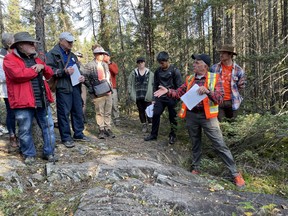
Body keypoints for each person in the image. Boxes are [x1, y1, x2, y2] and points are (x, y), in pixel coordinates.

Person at [154, 53, 245, 187]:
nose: (194, 64)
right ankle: (196, 167)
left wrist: (208, 91)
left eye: (197, 62)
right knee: (195, 143)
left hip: (208, 118)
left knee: (220, 145)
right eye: (194, 62)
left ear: (205, 66)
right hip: (192, 116)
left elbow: (220, 99)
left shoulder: (215, 78)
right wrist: (167, 91)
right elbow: (179, 93)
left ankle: (235, 174)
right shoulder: (190, 79)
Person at [3, 32, 57, 164]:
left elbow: (49, 73)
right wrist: (36, 70)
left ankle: (49, 153)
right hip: (23, 102)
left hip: (42, 99)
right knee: (24, 129)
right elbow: (17, 75)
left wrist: (42, 66)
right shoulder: (9, 59)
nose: (34, 45)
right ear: (21, 45)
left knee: (49, 127)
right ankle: (29, 154)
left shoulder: (36, 58)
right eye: (30, 43)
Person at [46, 32, 89, 148]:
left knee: (78, 110)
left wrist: (82, 77)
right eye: (68, 41)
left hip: (75, 86)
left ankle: (78, 133)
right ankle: (66, 137)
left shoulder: (73, 56)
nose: (71, 44)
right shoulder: (53, 54)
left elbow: (78, 69)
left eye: (72, 41)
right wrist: (63, 72)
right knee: (63, 113)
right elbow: (49, 70)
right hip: (63, 86)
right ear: (61, 41)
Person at [144, 51, 183, 144]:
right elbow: (155, 85)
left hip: (172, 97)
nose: (161, 65)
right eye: (160, 63)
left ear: (167, 61)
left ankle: (173, 135)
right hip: (160, 97)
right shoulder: (157, 71)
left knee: (173, 117)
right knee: (156, 114)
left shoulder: (175, 71)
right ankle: (153, 135)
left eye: (163, 63)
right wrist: (154, 99)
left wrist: (177, 99)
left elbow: (179, 87)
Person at [83, 46, 115, 139]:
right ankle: (101, 129)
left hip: (107, 90)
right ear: (95, 54)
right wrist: (91, 88)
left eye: (103, 54)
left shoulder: (105, 64)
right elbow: (85, 77)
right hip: (97, 91)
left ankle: (108, 128)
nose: (102, 55)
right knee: (99, 111)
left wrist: (110, 89)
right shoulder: (89, 65)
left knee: (108, 111)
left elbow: (108, 77)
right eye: (100, 53)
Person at [211, 44, 245, 121]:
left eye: (223, 53)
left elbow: (241, 86)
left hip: (233, 102)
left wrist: (234, 94)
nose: (221, 55)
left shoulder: (239, 70)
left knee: (233, 128)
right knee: (221, 126)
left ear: (230, 55)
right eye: (221, 53)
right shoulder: (214, 68)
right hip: (218, 101)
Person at [0, 33, 17, 148]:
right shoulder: (1, 57)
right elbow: (2, 77)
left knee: (20, 113)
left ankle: (19, 134)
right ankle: (12, 135)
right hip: (7, 90)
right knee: (11, 113)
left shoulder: (16, 53)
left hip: (19, 89)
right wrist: (16, 75)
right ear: (9, 43)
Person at [128, 57, 154, 133]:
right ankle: (144, 125)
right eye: (139, 62)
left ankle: (150, 125)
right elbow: (129, 83)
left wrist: (153, 96)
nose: (140, 64)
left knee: (149, 111)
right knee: (141, 110)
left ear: (144, 62)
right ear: (137, 63)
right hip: (138, 96)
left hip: (147, 95)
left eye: (142, 62)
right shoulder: (133, 73)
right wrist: (130, 92)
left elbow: (154, 84)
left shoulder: (150, 73)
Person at [103, 52, 120, 126]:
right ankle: (108, 121)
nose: (106, 57)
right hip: (104, 88)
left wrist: (109, 64)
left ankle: (117, 119)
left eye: (107, 55)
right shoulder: (101, 64)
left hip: (113, 87)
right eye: (105, 56)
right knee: (106, 105)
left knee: (114, 104)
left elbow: (116, 72)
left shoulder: (113, 64)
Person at [75, 51, 87, 123]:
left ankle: (82, 117)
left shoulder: (82, 66)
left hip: (82, 85)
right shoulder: (71, 64)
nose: (78, 58)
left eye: (80, 57)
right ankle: (76, 117)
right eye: (77, 56)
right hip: (74, 85)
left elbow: (85, 74)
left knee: (83, 101)